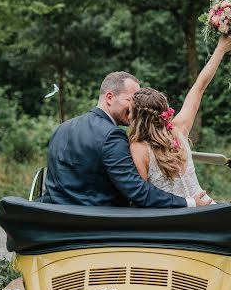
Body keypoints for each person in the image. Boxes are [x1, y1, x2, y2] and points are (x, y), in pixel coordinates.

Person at [42, 72, 207, 208]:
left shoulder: (62, 128)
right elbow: (137, 191)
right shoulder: (112, 135)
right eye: (130, 100)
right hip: (95, 222)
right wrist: (189, 202)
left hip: (57, 217)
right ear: (109, 97)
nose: (133, 107)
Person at [129, 35, 231, 202]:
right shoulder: (179, 130)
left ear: (137, 118)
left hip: (176, 216)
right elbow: (199, 86)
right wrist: (221, 49)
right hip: (207, 207)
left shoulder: (138, 148)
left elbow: (141, 197)